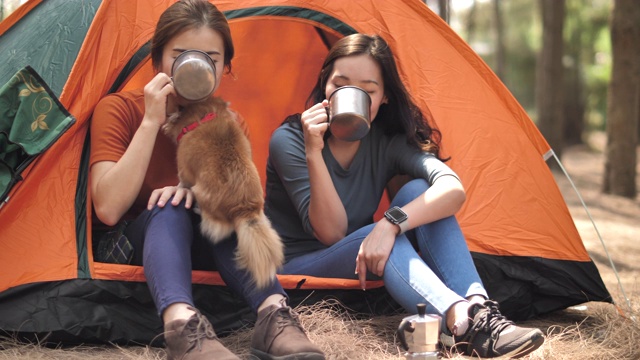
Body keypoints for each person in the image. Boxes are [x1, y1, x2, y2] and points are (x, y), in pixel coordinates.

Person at [264, 33, 545, 359]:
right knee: (377, 231)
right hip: (299, 267)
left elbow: (453, 190)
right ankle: (460, 321)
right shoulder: (290, 140)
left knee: (417, 192)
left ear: (384, 98)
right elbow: (332, 233)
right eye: (339, 84)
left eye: (367, 91)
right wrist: (314, 151)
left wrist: (391, 224)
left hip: (364, 257)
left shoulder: (386, 141)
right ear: (325, 86)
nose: (351, 96)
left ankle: (480, 308)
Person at [89, 1, 325, 359]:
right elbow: (107, 209)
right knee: (170, 208)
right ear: (158, 60)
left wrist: (198, 194)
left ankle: (274, 315)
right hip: (133, 245)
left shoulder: (227, 123)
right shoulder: (120, 109)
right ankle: (182, 329)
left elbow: (245, 207)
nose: (195, 66)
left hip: (206, 250)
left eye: (210, 58)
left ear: (224, 68)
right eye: (180, 55)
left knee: (230, 213)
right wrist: (152, 121)